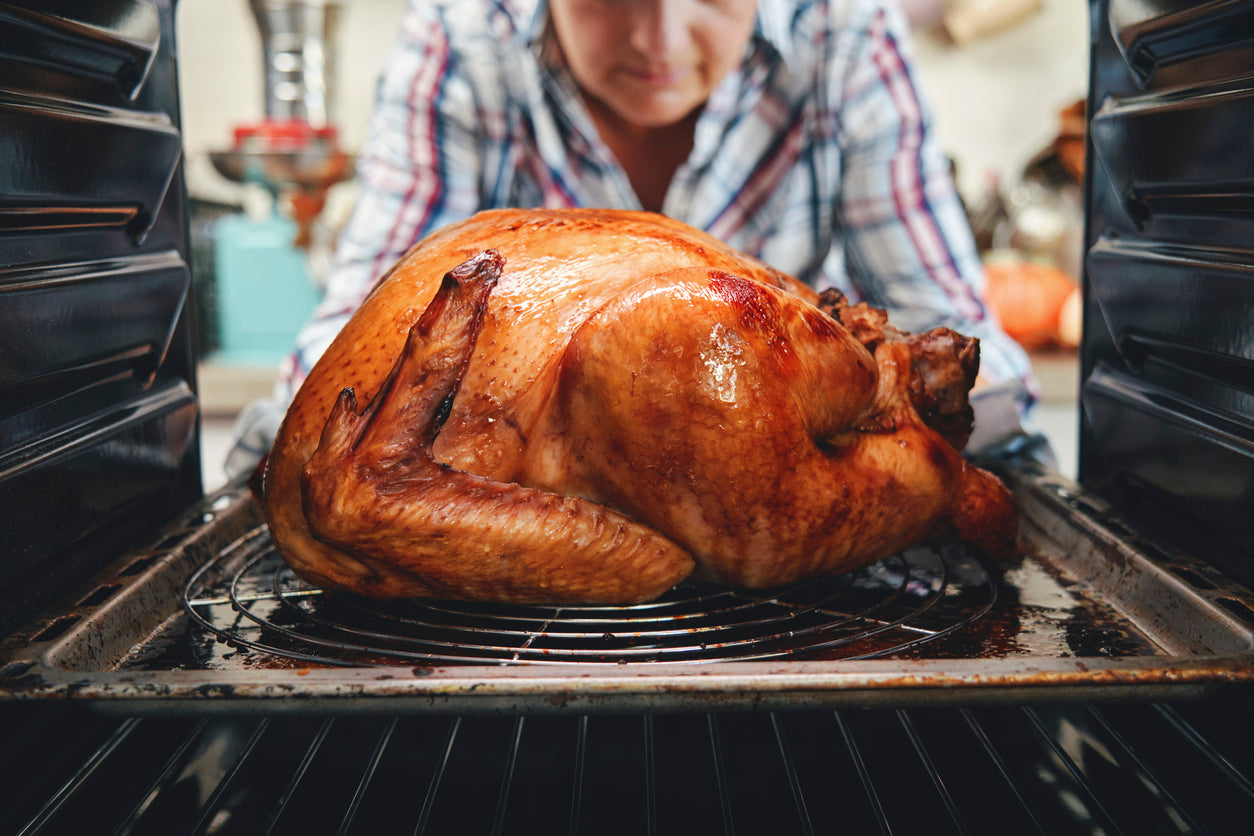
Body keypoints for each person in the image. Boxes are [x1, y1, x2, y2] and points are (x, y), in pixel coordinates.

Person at [227, 0, 1041, 477]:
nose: (660, 39)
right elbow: (353, 342)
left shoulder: (847, 35)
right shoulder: (464, 38)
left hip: (803, 575)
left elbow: (963, 346)